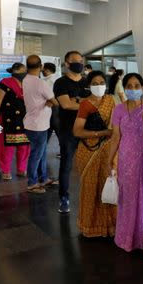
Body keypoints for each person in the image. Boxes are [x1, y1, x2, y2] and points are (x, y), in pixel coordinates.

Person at [107, 73, 143, 252]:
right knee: (128, 195)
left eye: (137, 85)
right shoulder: (119, 109)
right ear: (124, 88)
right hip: (126, 157)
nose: (133, 89)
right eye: (129, 86)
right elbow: (116, 136)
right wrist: (110, 159)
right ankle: (127, 237)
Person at [72, 71, 116, 237]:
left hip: (108, 151)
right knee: (91, 189)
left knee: (107, 187)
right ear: (89, 86)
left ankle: (108, 226)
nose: (99, 86)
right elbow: (77, 131)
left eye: (101, 82)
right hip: (89, 150)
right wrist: (102, 133)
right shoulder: (86, 104)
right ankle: (91, 227)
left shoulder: (111, 101)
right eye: (95, 83)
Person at [54, 51, 90, 214]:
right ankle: (64, 197)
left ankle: (91, 197)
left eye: (80, 61)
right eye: (74, 61)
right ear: (67, 64)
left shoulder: (87, 81)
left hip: (88, 128)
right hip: (68, 129)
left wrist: (77, 100)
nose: (79, 63)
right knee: (67, 164)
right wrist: (84, 103)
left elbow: (97, 101)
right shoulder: (61, 82)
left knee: (90, 163)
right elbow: (66, 105)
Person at [23, 55, 57, 194]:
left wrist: (47, 102)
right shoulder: (40, 83)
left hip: (32, 122)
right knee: (37, 154)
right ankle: (32, 183)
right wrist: (49, 102)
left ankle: (43, 178)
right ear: (41, 66)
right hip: (39, 124)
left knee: (41, 153)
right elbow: (54, 101)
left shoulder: (26, 80)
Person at [0, 63, 31, 180]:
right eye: (24, 70)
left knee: (24, 145)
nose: (25, 72)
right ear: (16, 71)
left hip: (24, 119)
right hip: (8, 119)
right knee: (7, 147)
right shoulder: (5, 82)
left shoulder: (27, 83)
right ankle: (6, 170)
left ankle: (21, 169)